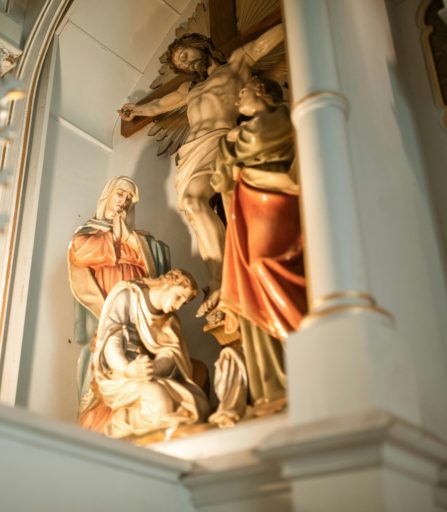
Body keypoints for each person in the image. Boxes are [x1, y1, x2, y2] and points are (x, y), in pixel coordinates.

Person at [119, 25, 285, 318]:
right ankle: (219, 276)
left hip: (222, 139)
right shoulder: (189, 89)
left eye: (185, 54)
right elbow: (159, 105)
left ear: (200, 45)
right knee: (193, 207)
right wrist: (137, 110)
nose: (185, 63)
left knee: (210, 200)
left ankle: (227, 276)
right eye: (180, 63)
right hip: (192, 151)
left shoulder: (236, 64)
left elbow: (263, 44)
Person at [210, 76, 307, 415]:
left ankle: (305, 352)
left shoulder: (282, 117)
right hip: (246, 208)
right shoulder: (236, 134)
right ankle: (271, 386)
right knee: (249, 283)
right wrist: (228, 144)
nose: (237, 100)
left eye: (244, 92)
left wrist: (230, 142)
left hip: (275, 198)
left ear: (263, 92)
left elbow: (254, 144)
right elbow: (219, 179)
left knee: (266, 264)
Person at [68, 177, 170, 426]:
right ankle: (98, 416)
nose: (124, 201)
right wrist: (117, 239)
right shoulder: (88, 232)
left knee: (135, 351)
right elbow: (79, 251)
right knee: (104, 350)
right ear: (107, 195)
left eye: (129, 198)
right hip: (104, 303)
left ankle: (135, 411)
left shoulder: (140, 238)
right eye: (120, 193)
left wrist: (131, 240)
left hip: (135, 306)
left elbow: (159, 261)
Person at [87, 269, 209, 438]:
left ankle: (167, 432)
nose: (179, 306)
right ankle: (123, 429)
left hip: (149, 373)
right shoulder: (128, 296)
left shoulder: (169, 320)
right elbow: (111, 341)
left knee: (198, 403)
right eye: (179, 297)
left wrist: (153, 367)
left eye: (184, 302)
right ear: (168, 284)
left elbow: (171, 354)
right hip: (120, 373)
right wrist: (128, 368)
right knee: (159, 400)